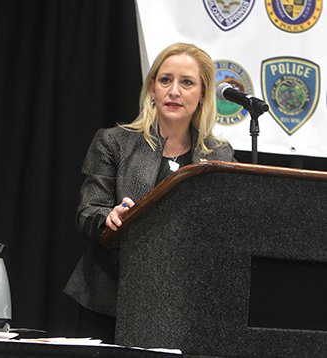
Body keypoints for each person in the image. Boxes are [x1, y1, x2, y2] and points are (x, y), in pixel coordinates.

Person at [64, 43, 235, 343]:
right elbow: (88, 211)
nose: (174, 91)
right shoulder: (113, 142)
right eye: (165, 80)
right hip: (110, 301)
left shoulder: (219, 155)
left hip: (184, 306)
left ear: (204, 94)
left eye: (187, 82)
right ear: (152, 88)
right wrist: (110, 217)